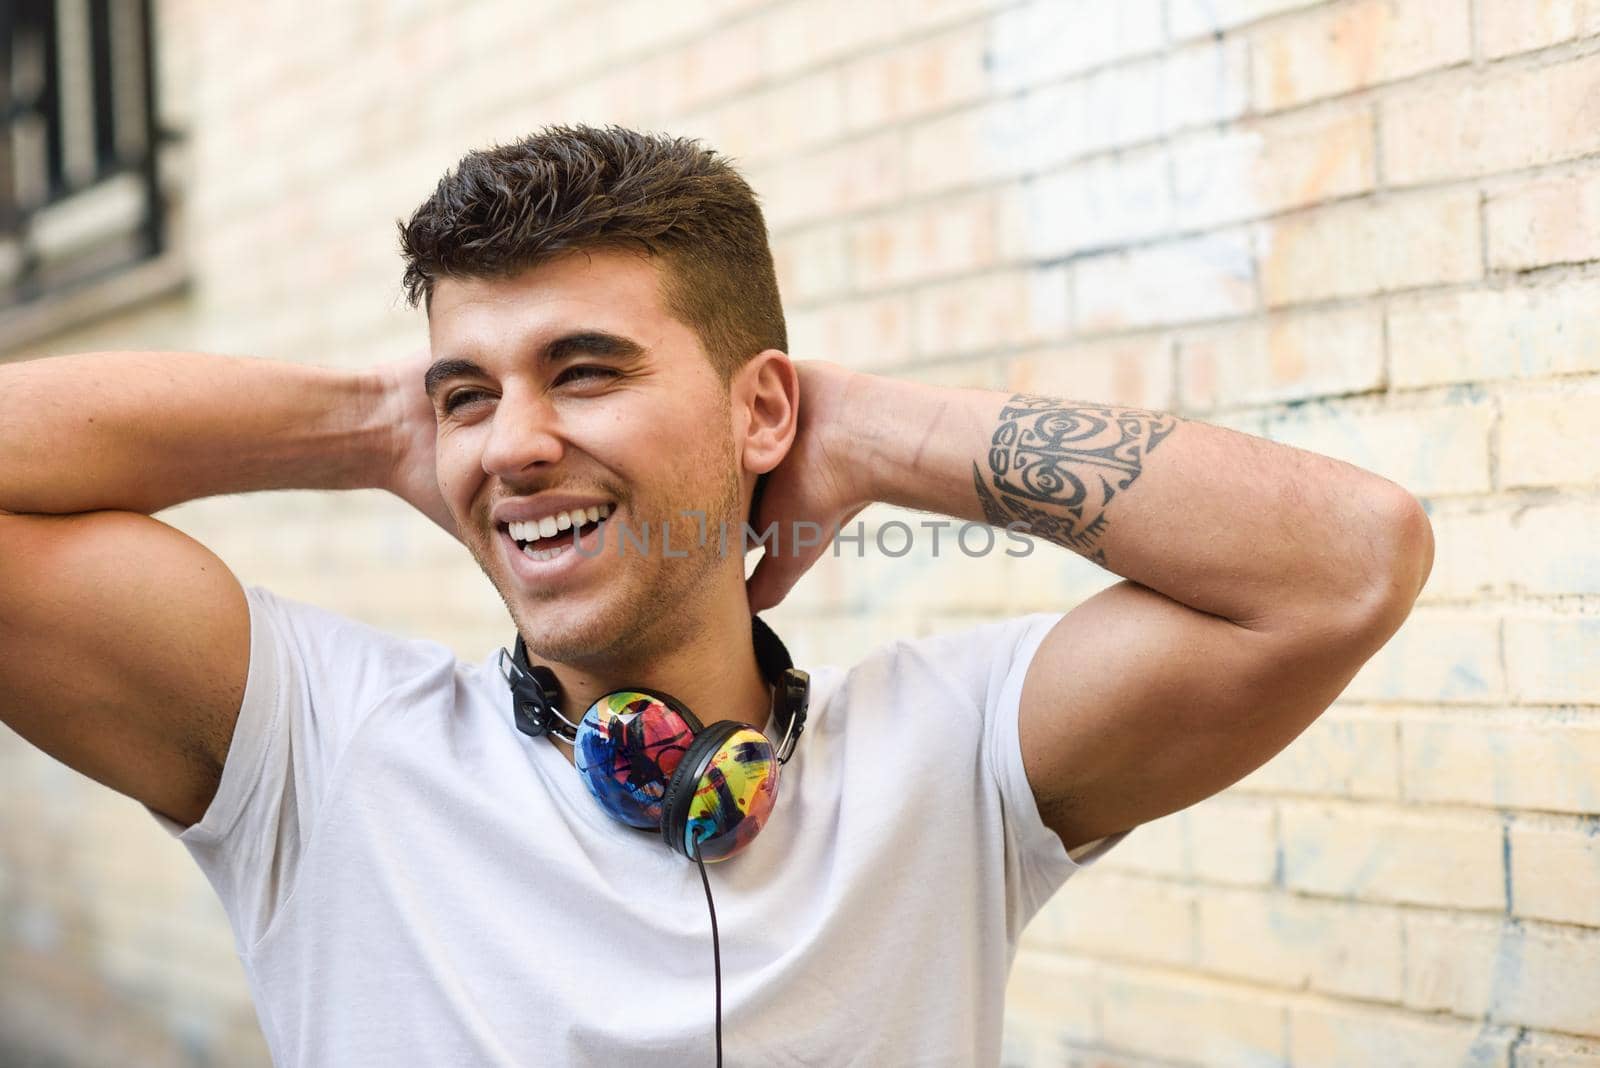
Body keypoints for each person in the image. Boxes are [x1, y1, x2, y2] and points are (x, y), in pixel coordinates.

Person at [0, 124, 1434, 1067]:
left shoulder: (955, 759)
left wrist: (873, 434)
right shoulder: (314, 749)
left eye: (584, 370)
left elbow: (1345, 560)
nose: (510, 444)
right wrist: (378, 422)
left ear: (759, 413)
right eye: (467, 393)